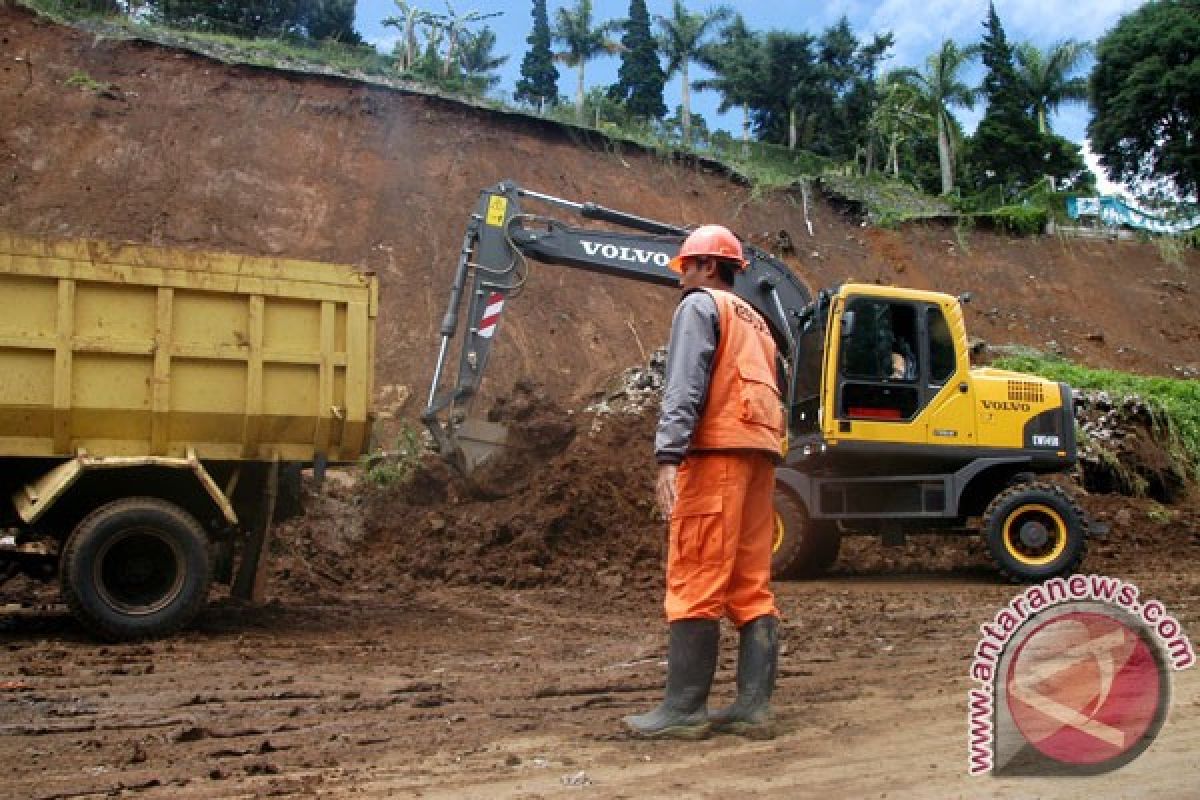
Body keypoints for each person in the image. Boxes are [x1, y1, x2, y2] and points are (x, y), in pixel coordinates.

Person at [622, 224, 784, 740]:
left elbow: (685, 381)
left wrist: (668, 454)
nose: (680, 278)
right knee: (749, 582)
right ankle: (753, 708)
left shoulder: (700, 307)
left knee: (695, 572)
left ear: (709, 266)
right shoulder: (757, 321)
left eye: (686, 266)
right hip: (759, 457)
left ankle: (684, 710)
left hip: (714, 457)